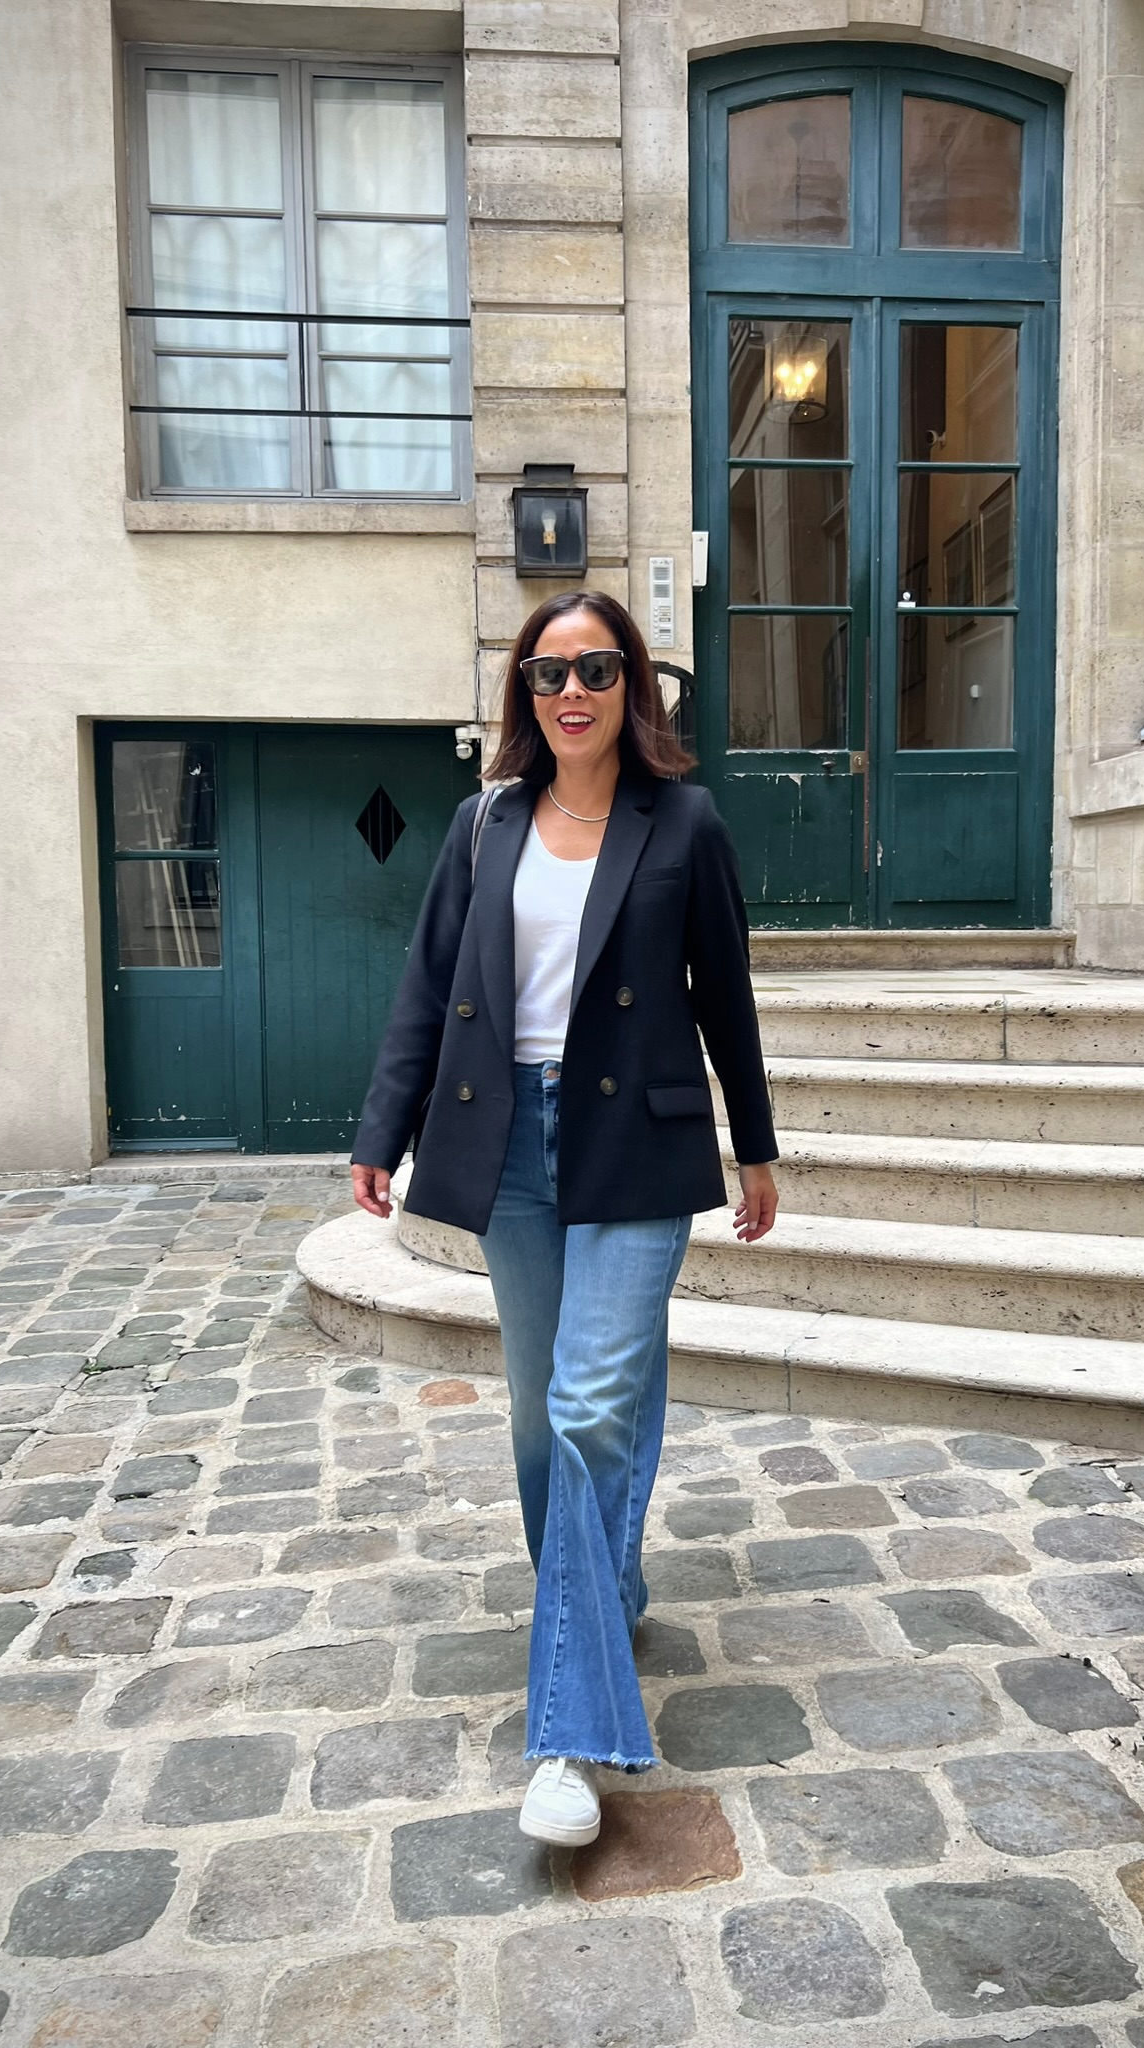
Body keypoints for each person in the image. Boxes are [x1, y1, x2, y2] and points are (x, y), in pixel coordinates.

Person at [349, 589, 778, 1847]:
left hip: (638, 1145)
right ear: (523, 695)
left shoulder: (683, 823)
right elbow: (428, 984)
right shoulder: (484, 824)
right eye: (547, 673)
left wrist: (754, 1144)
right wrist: (384, 1129)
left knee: (594, 1407)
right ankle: (604, 1589)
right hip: (509, 1146)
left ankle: (572, 1738)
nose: (570, 691)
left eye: (593, 667)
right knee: (548, 1414)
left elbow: (727, 998)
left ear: (630, 683)